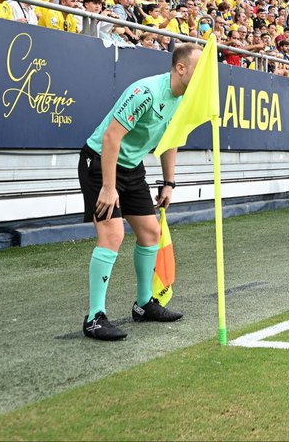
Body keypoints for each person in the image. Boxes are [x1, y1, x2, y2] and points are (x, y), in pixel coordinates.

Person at [79, 43, 202, 340]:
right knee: (113, 234)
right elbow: (111, 137)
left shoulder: (184, 100)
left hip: (132, 167)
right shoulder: (145, 92)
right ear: (181, 68)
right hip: (99, 160)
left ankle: (144, 304)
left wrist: (169, 183)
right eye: (198, 70)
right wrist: (109, 187)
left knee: (150, 232)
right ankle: (95, 317)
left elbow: (170, 141)